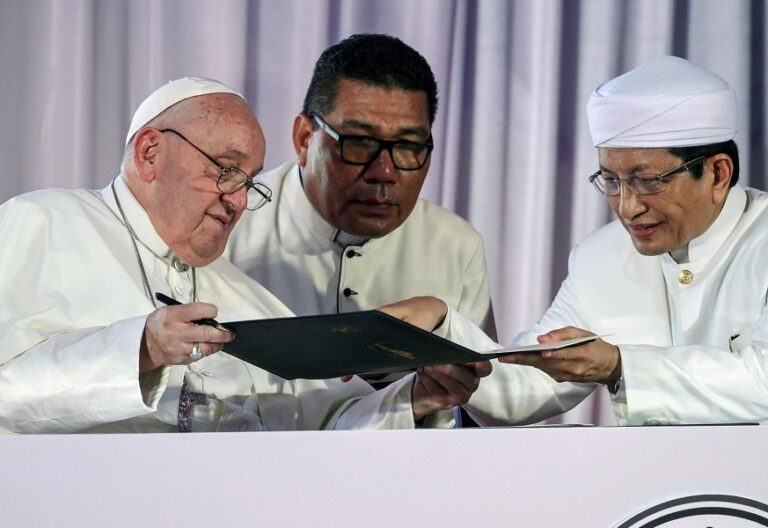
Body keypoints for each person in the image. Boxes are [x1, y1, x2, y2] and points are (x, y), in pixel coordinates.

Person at [0, 77, 490, 434]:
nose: (237, 199)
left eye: (249, 181)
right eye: (225, 170)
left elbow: (323, 423)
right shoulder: (43, 221)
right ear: (149, 153)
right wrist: (141, 349)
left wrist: (414, 399)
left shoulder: (238, 291)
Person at [384, 55, 768, 426]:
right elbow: (524, 385)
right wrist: (441, 326)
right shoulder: (599, 257)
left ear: (718, 174)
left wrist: (619, 366)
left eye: (647, 181)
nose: (627, 207)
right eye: (611, 181)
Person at [225, 33, 495, 339]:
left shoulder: (456, 246)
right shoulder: (228, 223)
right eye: (359, 142)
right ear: (304, 139)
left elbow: (487, 369)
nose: (384, 172)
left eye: (408, 145)